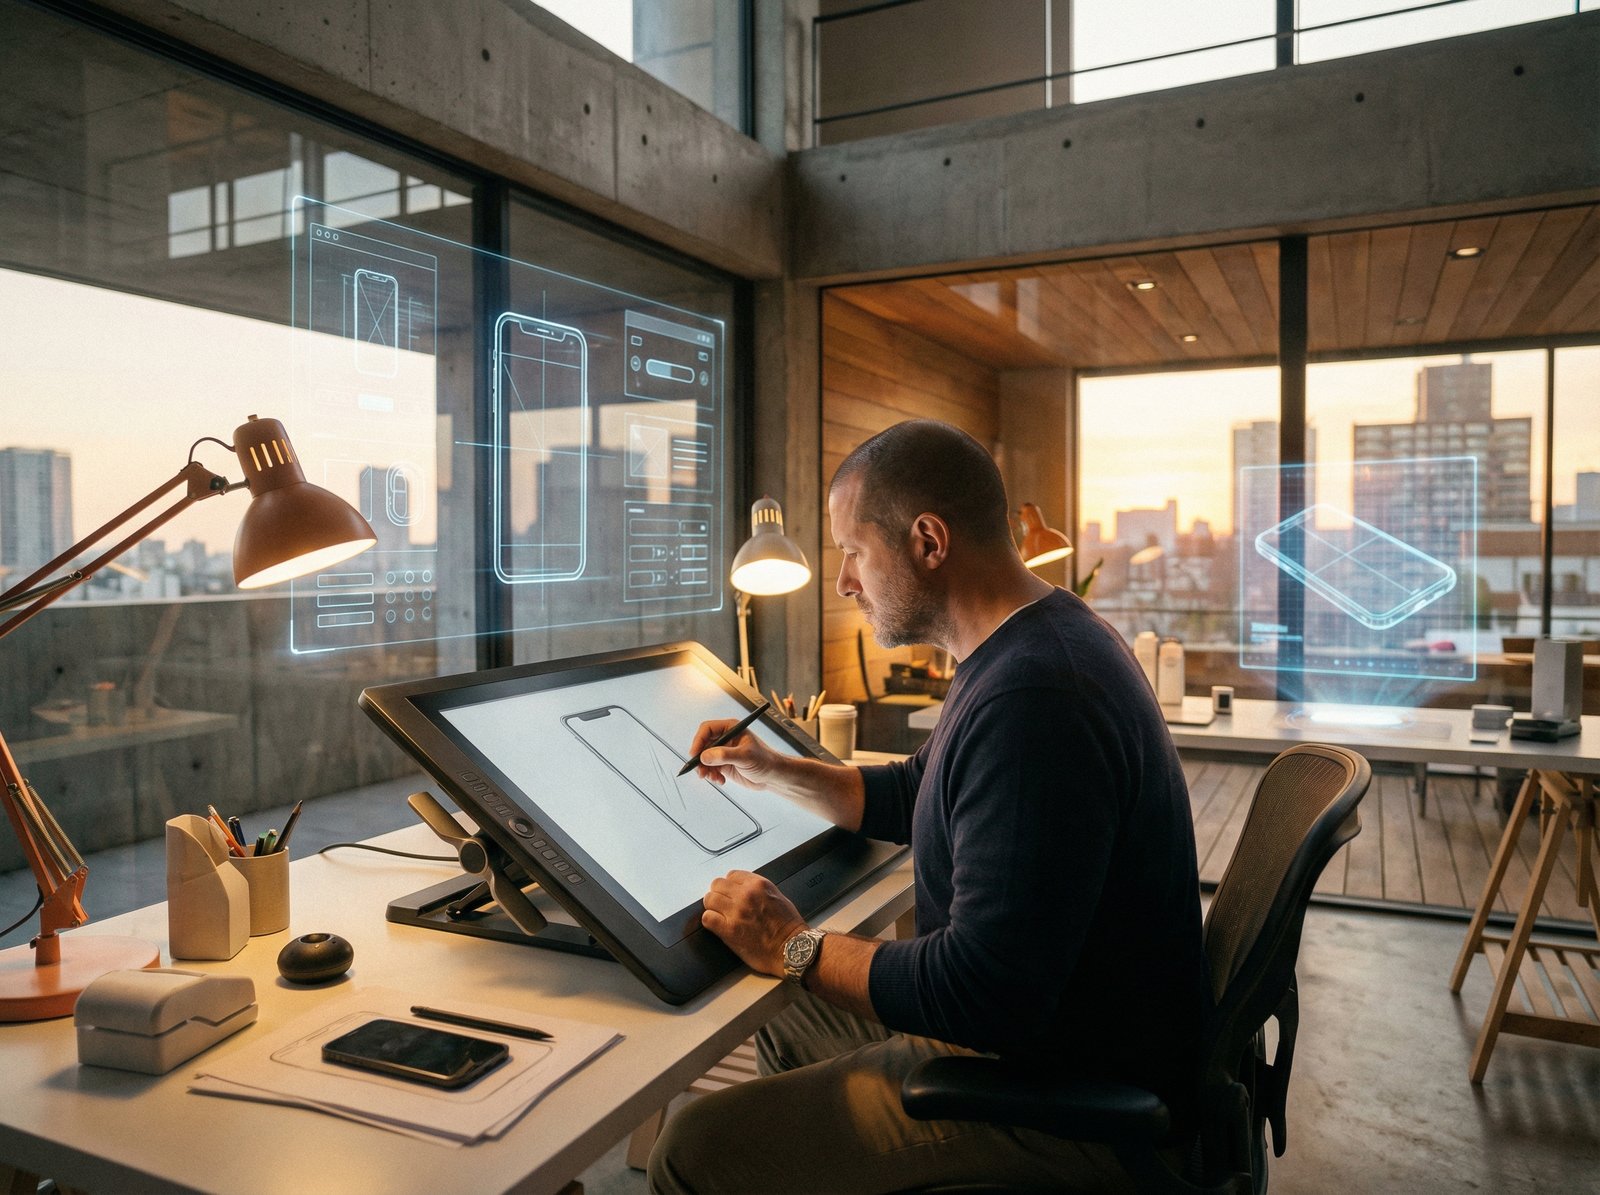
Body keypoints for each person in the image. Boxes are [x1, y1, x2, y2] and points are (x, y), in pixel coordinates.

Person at [648, 419, 1209, 1193]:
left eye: (854, 551)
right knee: (778, 1011)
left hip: (1065, 1096)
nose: (845, 581)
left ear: (928, 542)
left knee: (693, 1145)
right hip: (1055, 1034)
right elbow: (918, 788)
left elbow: (982, 992)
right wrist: (772, 768)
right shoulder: (1033, 642)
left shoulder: (1036, 698)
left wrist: (795, 943)